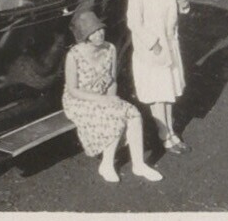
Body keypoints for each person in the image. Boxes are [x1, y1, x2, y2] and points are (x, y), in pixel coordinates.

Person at [62, 10, 163, 183]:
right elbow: (72, 90)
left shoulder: (110, 48)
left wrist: (111, 99)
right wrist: (104, 101)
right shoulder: (74, 55)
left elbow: (112, 80)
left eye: (100, 29)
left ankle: (139, 164)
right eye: (93, 32)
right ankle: (107, 164)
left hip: (104, 96)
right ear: (85, 37)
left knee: (133, 114)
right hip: (80, 100)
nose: (99, 34)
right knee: (115, 118)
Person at [127, 0, 191, 154]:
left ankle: (171, 132)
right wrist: (152, 44)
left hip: (169, 43)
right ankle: (164, 136)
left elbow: (165, 5)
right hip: (153, 49)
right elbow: (134, 21)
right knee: (158, 94)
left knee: (168, 90)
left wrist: (180, 5)